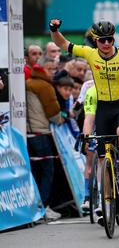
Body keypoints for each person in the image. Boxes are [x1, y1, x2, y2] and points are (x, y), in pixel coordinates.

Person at [49, 19, 119, 186]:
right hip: (103, 109)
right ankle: (105, 202)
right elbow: (63, 43)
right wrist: (54, 29)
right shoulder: (89, 54)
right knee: (102, 158)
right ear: (95, 40)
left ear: (114, 39)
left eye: (110, 39)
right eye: (102, 40)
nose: (106, 43)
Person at [26, 56, 64, 221]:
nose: (53, 73)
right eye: (51, 69)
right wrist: (61, 119)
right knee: (48, 170)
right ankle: (44, 207)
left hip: (28, 133)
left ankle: (36, 206)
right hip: (41, 132)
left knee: (35, 171)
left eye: (55, 69)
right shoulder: (45, 86)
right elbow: (54, 113)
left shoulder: (28, 83)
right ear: (42, 69)